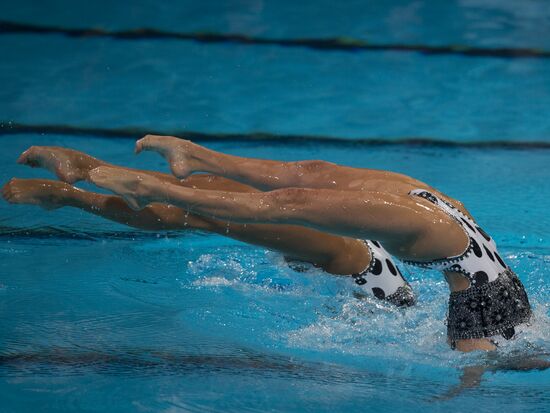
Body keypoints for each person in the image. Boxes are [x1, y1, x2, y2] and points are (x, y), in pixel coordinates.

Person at [2, 135, 532, 352]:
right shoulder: (378, 274)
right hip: (375, 253)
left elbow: (305, 177)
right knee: (208, 212)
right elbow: (286, 205)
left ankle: (85, 174)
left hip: (440, 217)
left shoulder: (482, 281)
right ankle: (87, 189)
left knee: (230, 195)